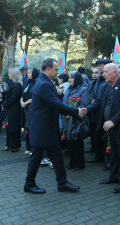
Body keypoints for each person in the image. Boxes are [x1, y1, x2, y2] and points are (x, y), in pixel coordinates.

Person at [24, 58, 83, 194]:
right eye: (56, 69)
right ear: (48, 69)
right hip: (42, 129)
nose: (58, 72)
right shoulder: (44, 84)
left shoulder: (45, 82)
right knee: (36, 158)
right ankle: (29, 184)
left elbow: (54, 101)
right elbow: (56, 104)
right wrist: (76, 112)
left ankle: (62, 183)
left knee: (57, 157)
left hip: (47, 128)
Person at [84, 63, 120, 193]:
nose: (103, 74)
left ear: (115, 73)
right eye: (103, 72)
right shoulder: (105, 86)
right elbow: (98, 102)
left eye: (106, 72)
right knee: (112, 154)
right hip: (107, 127)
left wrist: (114, 121)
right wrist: (86, 110)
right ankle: (113, 176)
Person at [62, 71, 90, 170]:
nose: (69, 80)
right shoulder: (68, 89)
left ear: (77, 79)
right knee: (69, 142)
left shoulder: (83, 90)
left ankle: (80, 163)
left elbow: (84, 105)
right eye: (69, 78)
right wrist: (65, 112)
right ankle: (72, 162)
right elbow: (63, 103)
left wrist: (71, 113)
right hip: (67, 120)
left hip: (76, 121)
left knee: (77, 143)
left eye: (71, 78)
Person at [87, 59, 111, 163]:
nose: (100, 67)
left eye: (102, 65)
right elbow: (94, 94)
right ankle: (99, 156)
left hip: (105, 114)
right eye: (99, 65)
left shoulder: (108, 80)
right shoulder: (98, 81)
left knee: (106, 138)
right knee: (97, 136)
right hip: (96, 113)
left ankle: (109, 161)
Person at [2, 68, 22, 152]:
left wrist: (5, 105)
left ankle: (15, 145)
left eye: (10, 73)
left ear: (13, 74)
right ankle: (9, 144)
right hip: (10, 108)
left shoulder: (17, 85)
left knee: (14, 127)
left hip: (14, 108)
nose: (9, 75)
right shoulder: (13, 84)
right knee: (9, 127)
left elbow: (13, 98)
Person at [21, 68, 40, 155]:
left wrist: (26, 102)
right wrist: (22, 101)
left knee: (32, 128)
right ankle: (28, 147)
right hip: (25, 108)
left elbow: (35, 97)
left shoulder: (36, 83)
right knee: (27, 128)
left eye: (29, 73)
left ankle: (33, 148)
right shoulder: (27, 83)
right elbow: (23, 94)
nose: (27, 74)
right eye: (27, 73)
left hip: (32, 108)